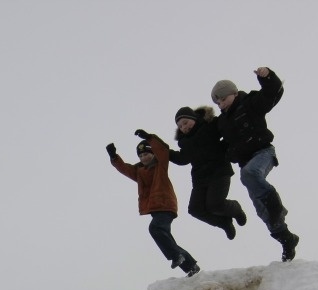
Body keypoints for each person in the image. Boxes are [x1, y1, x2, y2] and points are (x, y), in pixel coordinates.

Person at [212, 67, 300, 261]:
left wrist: (267, 76)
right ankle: (286, 239)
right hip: (245, 162)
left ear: (234, 94)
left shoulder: (249, 103)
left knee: (250, 174)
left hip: (263, 152)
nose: (220, 104)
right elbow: (207, 137)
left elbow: (272, 93)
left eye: (223, 98)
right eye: (217, 101)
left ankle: (275, 203)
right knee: (262, 210)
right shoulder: (222, 122)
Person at [107, 130, 201, 277]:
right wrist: (114, 156)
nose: (144, 157)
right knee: (166, 238)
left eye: (147, 154)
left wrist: (149, 138)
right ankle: (191, 267)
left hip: (165, 204)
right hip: (155, 209)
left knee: (155, 228)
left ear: (153, 154)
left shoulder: (160, 165)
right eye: (141, 155)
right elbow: (125, 169)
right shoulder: (139, 172)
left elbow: (162, 150)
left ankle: (177, 257)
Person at [168, 105, 247, 240]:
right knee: (195, 209)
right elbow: (182, 159)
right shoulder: (185, 143)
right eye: (180, 126)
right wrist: (164, 151)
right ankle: (224, 223)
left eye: (185, 123)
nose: (184, 127)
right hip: (200, 179)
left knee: (215, 204)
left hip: (219, 172)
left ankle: (236, 209)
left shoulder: (210, 125)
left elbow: (227, 128)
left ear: (194, 118)